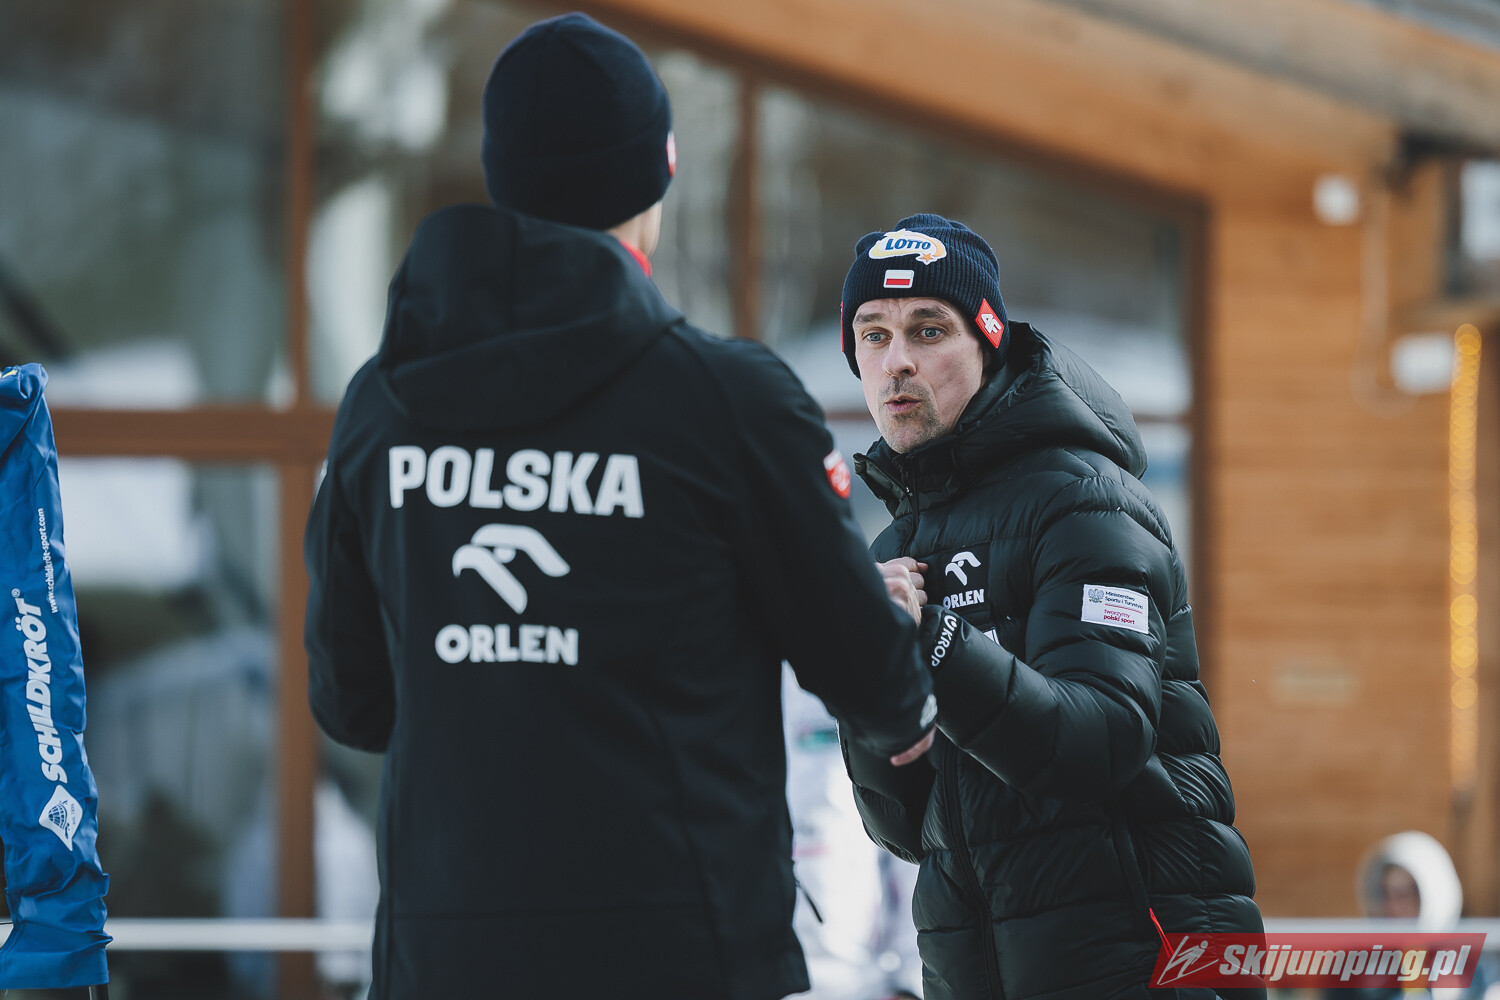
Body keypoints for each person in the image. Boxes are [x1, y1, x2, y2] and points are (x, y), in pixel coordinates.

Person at [302, 14, 936, 1000]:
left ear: (502, 179)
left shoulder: (382, 407)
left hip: (445, 958)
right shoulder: (726, 401)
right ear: (657, 180)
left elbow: (353, 702)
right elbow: (874, 679)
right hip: (676, 953)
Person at [835, 214, 1263, 999]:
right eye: (873, 335)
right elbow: (904, 828)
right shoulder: (896, 548)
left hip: (1146, 962)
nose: (897, 362)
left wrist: (930, 643)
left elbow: (1100, 741)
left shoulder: (1086, 502)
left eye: (928, 330)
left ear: (987, 342)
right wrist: (874, 684)